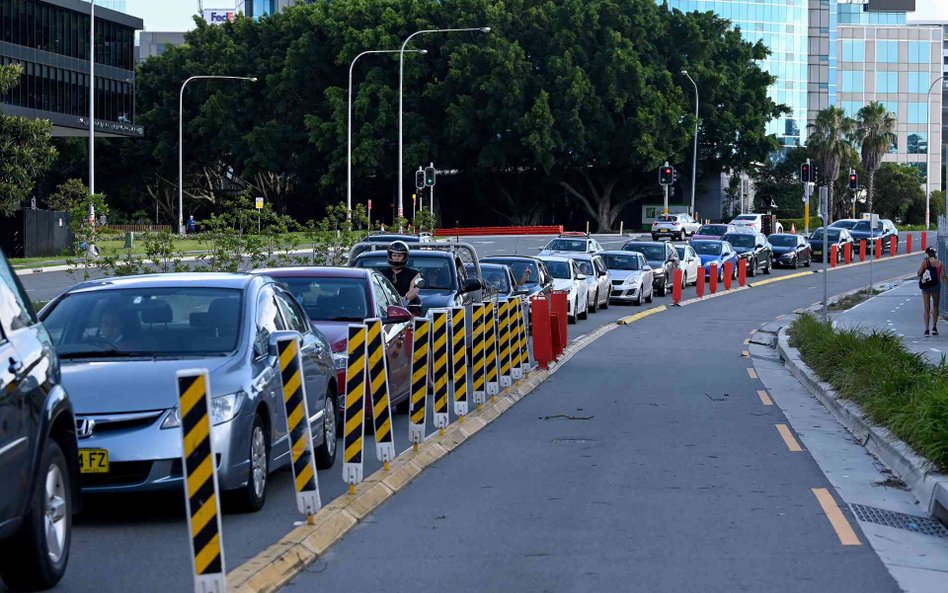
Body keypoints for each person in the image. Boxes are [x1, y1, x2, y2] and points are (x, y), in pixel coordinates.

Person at [917, 246, 948, 336]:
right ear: (935, 254)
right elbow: (943, 276)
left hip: (926, 286)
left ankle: (926, 329)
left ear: (927, 254)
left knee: (926, 307)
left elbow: (919, 273)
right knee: (935, 306)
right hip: (936, 285)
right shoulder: (940, 263)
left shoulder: (925, 262)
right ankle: (934, 327)